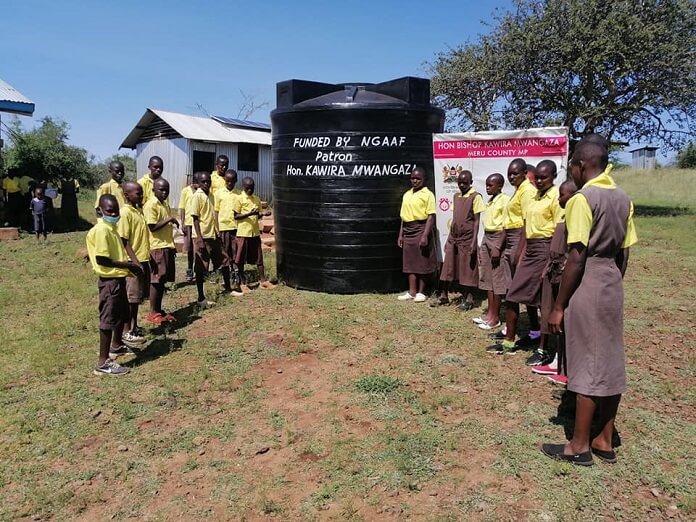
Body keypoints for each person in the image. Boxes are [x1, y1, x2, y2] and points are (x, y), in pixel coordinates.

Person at [542, 140, 637, 466]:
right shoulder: (623, 198)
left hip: (587, 283)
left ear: (582, 165)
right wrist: (611, 281)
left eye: (571, 166)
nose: (571, 172)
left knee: (587, 362)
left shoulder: (583, 199)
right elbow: (624, 251)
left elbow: (577, 256)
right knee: (610, 357)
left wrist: (558, 305)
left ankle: (579, 445)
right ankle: (604, 438)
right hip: (611, 281)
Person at [490, 160, 563, 355]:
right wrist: (522, 252)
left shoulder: (555, 196)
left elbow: (558, 229)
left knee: (540, 299)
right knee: (518, 294)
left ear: (553, 176)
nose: (538, 181)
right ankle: (513, 340)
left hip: (545, 248)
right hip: (530, 247)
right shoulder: (535, 195)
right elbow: (526, 224)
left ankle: (541, 345)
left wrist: (551, 258)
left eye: (543, 177)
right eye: (537, 177)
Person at [86, 194, 143, 376]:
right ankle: (103, 363)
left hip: (118, 279)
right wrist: (128, 265)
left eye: (116, 210)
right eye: (110, 211)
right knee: (108, 319)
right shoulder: (102, 230)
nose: (114, 213)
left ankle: (117, 345)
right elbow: (103, 259)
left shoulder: (111, 228)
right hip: (109, 282)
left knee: (120, 314)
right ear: (100, 211)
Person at [528, 179, 578, 373]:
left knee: (562, 315)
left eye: (562, 195)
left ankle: (561, 360)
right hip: (552, 270)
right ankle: (553, 355)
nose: (559, 199)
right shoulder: (564, 216)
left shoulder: (574, 217)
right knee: (548, 309)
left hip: (564, 273)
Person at [491, 159, 539, 343]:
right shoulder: (518, 190)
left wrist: (520, 251)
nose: (512, 177)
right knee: (511, 288)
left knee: (521, 290)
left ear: (524, 172)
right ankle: (511, 327)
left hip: (520, 239)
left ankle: (534, 330)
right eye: (509, 173)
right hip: (511, 238)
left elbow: (527, 221)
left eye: (515, 173)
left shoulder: (527, 191)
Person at [434, 170, 484, 309]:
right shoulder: (456, 196)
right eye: (459, 182)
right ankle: (443, 296)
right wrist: (449, 238)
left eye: (465, 183)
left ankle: (469, 299)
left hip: (467, 239)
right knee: (448, 266)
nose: (462, 185)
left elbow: (476, 222)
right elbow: (455, 219)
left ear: (471, 183)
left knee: (468, 268)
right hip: (454, 237)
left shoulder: (475, 197)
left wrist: (474, 242)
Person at [188, 171, 232, 307]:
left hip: (213, 235)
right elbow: (195, 218)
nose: (207, 184)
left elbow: (213, 216)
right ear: (199, 183)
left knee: (224, 260)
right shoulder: (197, 196)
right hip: (202, 236)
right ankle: (201, 297)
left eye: (208, 181)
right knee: (201, 267)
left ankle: (228, 288)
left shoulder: (211, 196)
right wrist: (200, 238)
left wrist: (217, 232)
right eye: (204, 182)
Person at [474, 173, 510, 329]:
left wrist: (497, 247)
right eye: (487, 185)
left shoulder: (505, 201)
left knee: (497, 279)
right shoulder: (489, 201)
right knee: (487, 278)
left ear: (500, 186)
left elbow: (506, 227)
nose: (487, 187)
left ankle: (495, 318)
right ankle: (489, 314)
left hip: (497, 239)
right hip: (487, 237)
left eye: (491, 185)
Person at [117, 181, 151, 344]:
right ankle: (126, 331)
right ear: (126, 195)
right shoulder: (125, 213)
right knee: (130, 298)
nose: (141, 195)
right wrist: (136, 261)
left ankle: (134, 326)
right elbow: (124, 240)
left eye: (141, 192)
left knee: (137, 298)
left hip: (142, 259)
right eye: (137, 193)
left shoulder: (137, 211)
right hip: (132, 262)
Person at [397, 167, 437, 302]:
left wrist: (425, 235)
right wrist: (401, 234)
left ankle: (421, 291)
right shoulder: (407, 194)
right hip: (408, 229)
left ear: (424, 180)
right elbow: (403, 217)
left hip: (421, 228)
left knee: (422, 261)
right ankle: (411, 291)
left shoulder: (428, 194)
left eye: (418, 178)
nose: (415, 181)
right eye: (413, 178)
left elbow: (431, 216)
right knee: (410, 262)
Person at [143, 178, 179, 324]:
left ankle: (158, 309)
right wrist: (169, 219)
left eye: (167, 190)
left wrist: (172, 246)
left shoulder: (164, 204)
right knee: (156, 280)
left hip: (166, 245)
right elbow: (152, 226)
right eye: (161, 190)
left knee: (162, 280)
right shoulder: (151, 204)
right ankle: (153, 312)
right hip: (157, 246)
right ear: (153, 190)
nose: (165, 192)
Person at [232, 176, 273, 290]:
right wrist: (249, 214)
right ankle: (243, 283)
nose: (250, 190)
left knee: (259, 258)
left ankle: (263, 281)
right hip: (243, 233)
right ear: (244, 187)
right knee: (240, 259)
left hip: (254, 232)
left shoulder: (257, 199)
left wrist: (263, 214)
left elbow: (257, 214)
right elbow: (236, 216)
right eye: (248, 188)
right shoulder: (239, 199)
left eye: (252, 188)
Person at [216, 169, 244, 296]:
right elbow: (216, 212)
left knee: (236, 254)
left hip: (237, 228)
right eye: (227, 181)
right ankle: (226, 281)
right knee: (225, 255)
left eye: (232, 181)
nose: (230, 183)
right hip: (224, 228)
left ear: (236, 181)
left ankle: (237, 278)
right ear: (224, 181)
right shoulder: (218, 194)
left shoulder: (239, 194)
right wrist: (217, 228)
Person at [179, 174, 199, 282]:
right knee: (190, 249)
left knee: (198, 249)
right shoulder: (185, 191)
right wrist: (182, 223)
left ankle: (198, 270)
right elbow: (182, 208)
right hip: (189, 223)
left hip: (199, 224)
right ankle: (190, 269)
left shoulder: (200, 192)